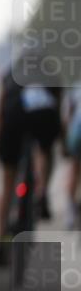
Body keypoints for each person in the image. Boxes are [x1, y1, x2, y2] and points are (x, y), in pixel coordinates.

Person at [0, 63, 63, 266]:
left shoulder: (10, 74)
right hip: (43, 120)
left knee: (7, 186)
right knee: (44, 150)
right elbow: (58, 114)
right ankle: (41, 193)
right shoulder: (51, 73)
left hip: (12, 121)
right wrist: (64, 146)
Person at [63, 85, 81, 230]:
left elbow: (67, 117)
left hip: (76, 133)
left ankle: (69, 212)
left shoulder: (76, 88)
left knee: (74, 171)